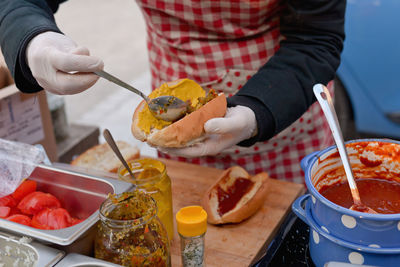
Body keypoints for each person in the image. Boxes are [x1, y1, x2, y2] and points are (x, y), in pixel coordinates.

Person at [0, 0, 345, 183]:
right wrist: (33, 40)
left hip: (280, 106)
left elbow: (316, 39)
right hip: (171, 111)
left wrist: (255, 113)